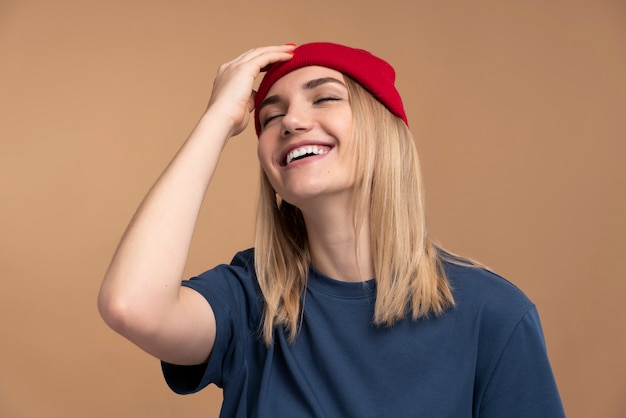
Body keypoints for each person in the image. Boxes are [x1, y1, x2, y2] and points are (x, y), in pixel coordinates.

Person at [98, 42, 565, 417]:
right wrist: (217, 118)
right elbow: (132, 306)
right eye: (270, 116)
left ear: (384, 131)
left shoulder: (494, 315)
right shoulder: (250, 300)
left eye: (324, 97)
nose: (292, 122)